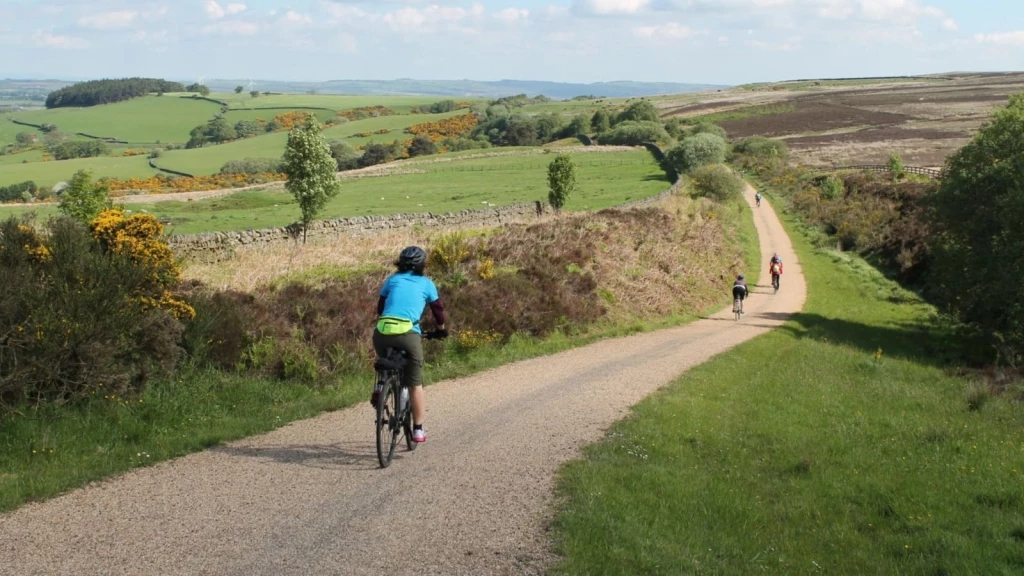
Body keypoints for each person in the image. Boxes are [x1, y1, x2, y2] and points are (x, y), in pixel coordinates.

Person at [372, 246, 446, 443]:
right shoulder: (427, 283)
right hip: (408, 334)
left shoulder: (392, 280)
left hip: (382, 331)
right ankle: (418, 429)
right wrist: (441, 329)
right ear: (422, 265)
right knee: (415, 384)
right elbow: (438, 310)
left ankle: (381, 384)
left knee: (385, 359)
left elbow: (381, 307)